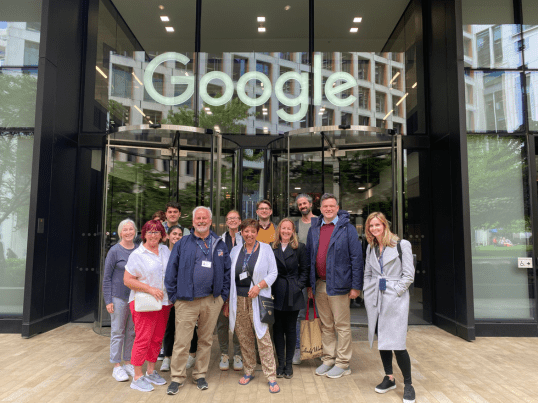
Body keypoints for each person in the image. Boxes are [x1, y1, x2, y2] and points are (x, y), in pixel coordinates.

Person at [164, 206, 231, 394]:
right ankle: (177, 377)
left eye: (205, 218)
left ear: (210, 221)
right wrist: (175, 298)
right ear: (193, 222)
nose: (201, 221)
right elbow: (171, 272)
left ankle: (200, 375)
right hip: (186, 302)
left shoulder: (219, 243)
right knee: (182, 341)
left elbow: (227, 271)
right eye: (198, 218)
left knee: (206, 340)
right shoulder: (182, 243)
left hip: (211, 301)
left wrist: (222, 297)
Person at [306, 193, 363, 379]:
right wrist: (309, 285)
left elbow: (356, 259)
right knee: (326, 325)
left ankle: (343, 363)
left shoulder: (347, 228)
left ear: (337, 208)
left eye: (332, 206)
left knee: (342, 326)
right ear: (320, 209)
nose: (328, 209)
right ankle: (329, 358)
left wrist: (356, 286)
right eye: (325, 206)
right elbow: (309, 259)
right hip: (320, 284)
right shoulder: (314, 228)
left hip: (340, 285)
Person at [363, 212, 415, 404]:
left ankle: (408, 384)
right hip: (376, 298)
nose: (374, 228)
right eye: (371, 226)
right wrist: (367, 292)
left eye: (377, 225)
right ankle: (389, 377)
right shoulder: (371, 248)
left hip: (395, 299)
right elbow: (367, 274)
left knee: (398, 344)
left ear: (385, 225)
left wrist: (396, 292)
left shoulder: (402, 245)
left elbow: (409, 275)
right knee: (383, 340)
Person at [227, 219, 280, 393]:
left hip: (258, 300)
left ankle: (271, 376)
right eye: (246, 231)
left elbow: (273, 273)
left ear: (257, 232)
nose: (249, 234)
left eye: (252, 231)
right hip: (239, 301)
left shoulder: (265, 249)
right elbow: (230, 277)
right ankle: (248, 370)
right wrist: (227, 302)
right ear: (241, 232)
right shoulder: (235, 251)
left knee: (263, 338)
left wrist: (258, 286)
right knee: (244, 338)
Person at [124, 219, 172, 392]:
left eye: (157, 232)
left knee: (157, 338)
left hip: (164, 302)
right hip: (144, 303)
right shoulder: (138, 255)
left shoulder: (165, 250)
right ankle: (137, 376)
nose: (153, 235)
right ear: (144, 234)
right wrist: (150, 289)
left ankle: (151, 371)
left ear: (162, 235)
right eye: (150, 232)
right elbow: (127, 280)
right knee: (143, 338)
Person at [271, 218, 309, 379]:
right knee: (278, 330)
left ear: (293, 231)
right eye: (283, 228)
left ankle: (289, 364)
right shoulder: (271, 248)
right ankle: (280, 364)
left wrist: (298, 286)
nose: (286, 231)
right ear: (279, 230)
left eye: (289, 229)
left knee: (291, 329)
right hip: (276, 292)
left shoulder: (300, 248)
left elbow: (305, 270)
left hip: (292, 292)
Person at [102, 218, 137, 382]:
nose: (128, 232)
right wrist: (108, 300)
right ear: (120, 232)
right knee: (117, 332)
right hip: (118, 298)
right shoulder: (114, 251)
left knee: (131, 332)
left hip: (134, 298)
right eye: (125, 230)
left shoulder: (138, 250)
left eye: (131, 229)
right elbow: (107, 277)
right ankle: (116, 366)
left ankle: (128, 362)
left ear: (135, 232)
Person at [292, 193, 317, 365]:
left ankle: (320, 348)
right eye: (300, 204)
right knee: (299, 314)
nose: (302, 206)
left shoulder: (320, 222)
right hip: (301, 275)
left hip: (320, 275)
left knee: (322, 314)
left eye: (305, 203)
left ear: (311, 204)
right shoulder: (295, 225)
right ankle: (298, 349)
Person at [217, 210, 243, 371]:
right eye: (229, 218)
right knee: (222, 323)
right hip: (222, 287)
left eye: (235, 218)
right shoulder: (219, 240)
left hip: (240, 287)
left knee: (239, 322)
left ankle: (238, 354)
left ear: (240, 221)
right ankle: (224, 354)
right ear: (226, 222)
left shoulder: (245, 238)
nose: (232, 221)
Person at [160, 225, 182, 372]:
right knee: (168, 329)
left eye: (180, 234)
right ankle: (167, 357)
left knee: (183, 329)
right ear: (168, 236)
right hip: (165, 297)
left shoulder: (184, 251)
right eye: (174, 234)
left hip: (181, 297)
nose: (176, 237)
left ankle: (183, 358)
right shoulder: (161, 252)